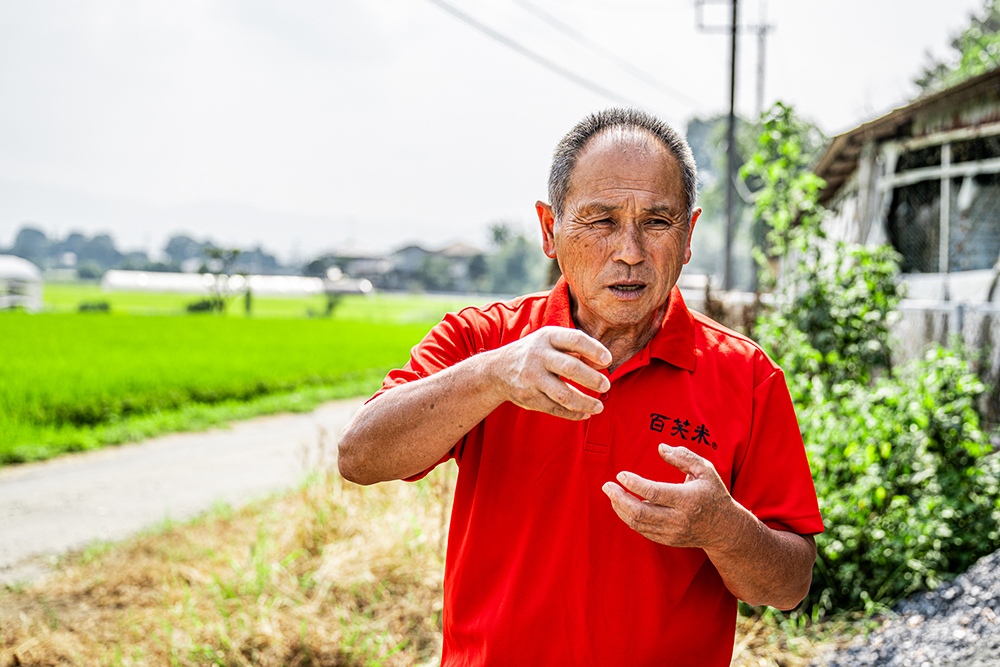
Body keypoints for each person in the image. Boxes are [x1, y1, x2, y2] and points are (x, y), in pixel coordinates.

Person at [339, 108, 823, 666]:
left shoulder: (746, 375)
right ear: (550, 229)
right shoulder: (487, 340)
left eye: (657, 222)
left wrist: (724, 527)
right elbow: (359, 456)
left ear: (688, 236)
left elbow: (787, 587)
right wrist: (494, 375)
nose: (630, 252)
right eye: (600, 221)